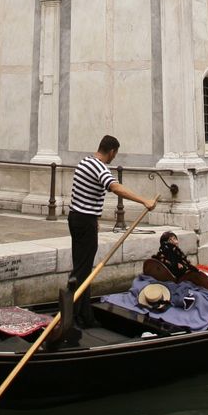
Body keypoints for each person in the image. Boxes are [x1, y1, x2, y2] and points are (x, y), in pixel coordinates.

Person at [68, 135, 157, 328]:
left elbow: (82, 194)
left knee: (80, 267)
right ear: (112, 152)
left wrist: (94, 219)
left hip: (76, 218)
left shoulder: (85, 162)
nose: (113, 158)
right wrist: (144, 201)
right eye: (114, 155)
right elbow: (116, 188)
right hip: (84, 222)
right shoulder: (100, 167)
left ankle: (80, 313)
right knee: (83, 272)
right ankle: (77, 317)